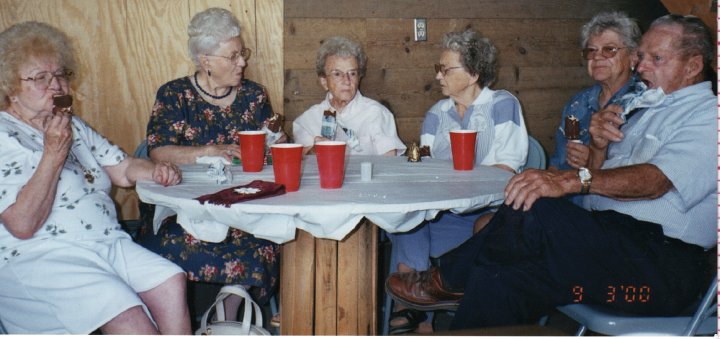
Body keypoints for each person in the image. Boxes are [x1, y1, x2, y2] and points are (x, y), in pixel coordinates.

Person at [385, 14, 716, 330]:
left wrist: (568, 179)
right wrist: (599, 147)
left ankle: (445, 278)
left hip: (659, 273)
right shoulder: (647, 108)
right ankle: (452, 288)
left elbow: (655, 182)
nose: (641, 66)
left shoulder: (708, 116)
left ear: (693, 66)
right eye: (641, 56)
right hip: (608, 253)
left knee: (537, 206)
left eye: (655, 59)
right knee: (498, 277)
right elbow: (600, 187)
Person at [0, 21, 190, 334]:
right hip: (42, 254)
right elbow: (21, 225)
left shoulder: (69, 124)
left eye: (60, 74)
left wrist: (155, 170)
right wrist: (53, 154)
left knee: (170, 280)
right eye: (40, 78)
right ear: (9, 87)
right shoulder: (6, 136)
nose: (56, 86)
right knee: (129, 316)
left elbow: (123, 169)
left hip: (103, 241)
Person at [137, 7, 282, 312]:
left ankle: (227, 309)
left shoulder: (254, 96)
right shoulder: (175, 95)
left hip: (246, 205)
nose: (242, 62)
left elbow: (269, 148)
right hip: (187, 207)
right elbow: (158, 151)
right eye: (233, 56)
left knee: (270, 241)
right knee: (174, 243)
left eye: (243, 53)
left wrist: (275, 144)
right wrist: (207, 151)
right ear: (205, 61)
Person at [385, 29, 528, 334]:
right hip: (444, 216)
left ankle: (414, 307)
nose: (439, 77)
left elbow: (507, 168)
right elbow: (427, 170)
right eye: (439, 69)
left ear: (474, 73)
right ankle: (417, 312)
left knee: (419, 220)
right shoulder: (437, 113)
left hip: (486, 216)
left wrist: (458, 183)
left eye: (446, 69)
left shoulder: (503, 104)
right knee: (404, 214)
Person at [549, 12, 641, 171]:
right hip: (566, 189)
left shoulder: (642, 103)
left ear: (633, 57)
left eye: (609, 49)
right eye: (591, 50)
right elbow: (558, 162)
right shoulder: (577, 104)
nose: (597, 57)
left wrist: (594, 160)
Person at [292, 36, 406, 156]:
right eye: (337, 74)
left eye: (352, 73)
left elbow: (389, 163)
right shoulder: (308, 120)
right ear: (324, 82)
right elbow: (303, 162)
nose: (346, 80)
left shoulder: (377, 114)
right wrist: (317, 150)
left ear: (359, 77)